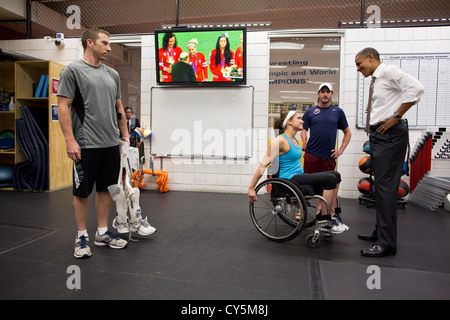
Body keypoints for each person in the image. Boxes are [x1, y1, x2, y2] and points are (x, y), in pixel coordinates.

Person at [57, 28, 129, 258]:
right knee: (81, 192)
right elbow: (63, 106)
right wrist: (70, 140)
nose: (109, 48)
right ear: (90, 43)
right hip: (85, 143)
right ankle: (81, 236)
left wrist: (125, 137)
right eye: (105, 43)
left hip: (110, 144)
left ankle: (102, 232)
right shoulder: (72, 71)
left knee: (106, 190)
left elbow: (119, 108)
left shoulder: (112, 74)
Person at [355, 47, 424, 257]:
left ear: (371, 57)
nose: (359, 69)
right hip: (380, 136)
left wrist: (396, 115)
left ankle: (387, 243)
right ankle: (381, 234)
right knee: (381, 187)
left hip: (390, 134)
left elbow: (417, 88)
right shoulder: (377, 79)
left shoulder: (389, 71)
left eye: (360, 64)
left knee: (385, 189)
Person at [248, 110, 349, 234]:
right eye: (299, 118)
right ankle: (325, 221)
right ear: (289, 122)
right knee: (330, 178)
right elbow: (263, 165)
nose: (302, 121)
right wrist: (251, 187)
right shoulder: (279, 141)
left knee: (336, 175)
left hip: (300, 176)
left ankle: (332, 216)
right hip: (290, 180)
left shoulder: (295, 140)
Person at [300, 83, 351, 230]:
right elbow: (304, 130)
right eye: (322, 92)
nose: (325, 95)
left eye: (327, 92)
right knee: (307, 185)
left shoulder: (338, 112)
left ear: (332, 95)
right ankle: (301, 210)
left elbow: (348, 132)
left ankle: (322, 211)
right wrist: (304, 141)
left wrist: (341, 149)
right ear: (318, 94)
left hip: (328, 156)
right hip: (311, 155)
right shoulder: (310, 112)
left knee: (327, 185)